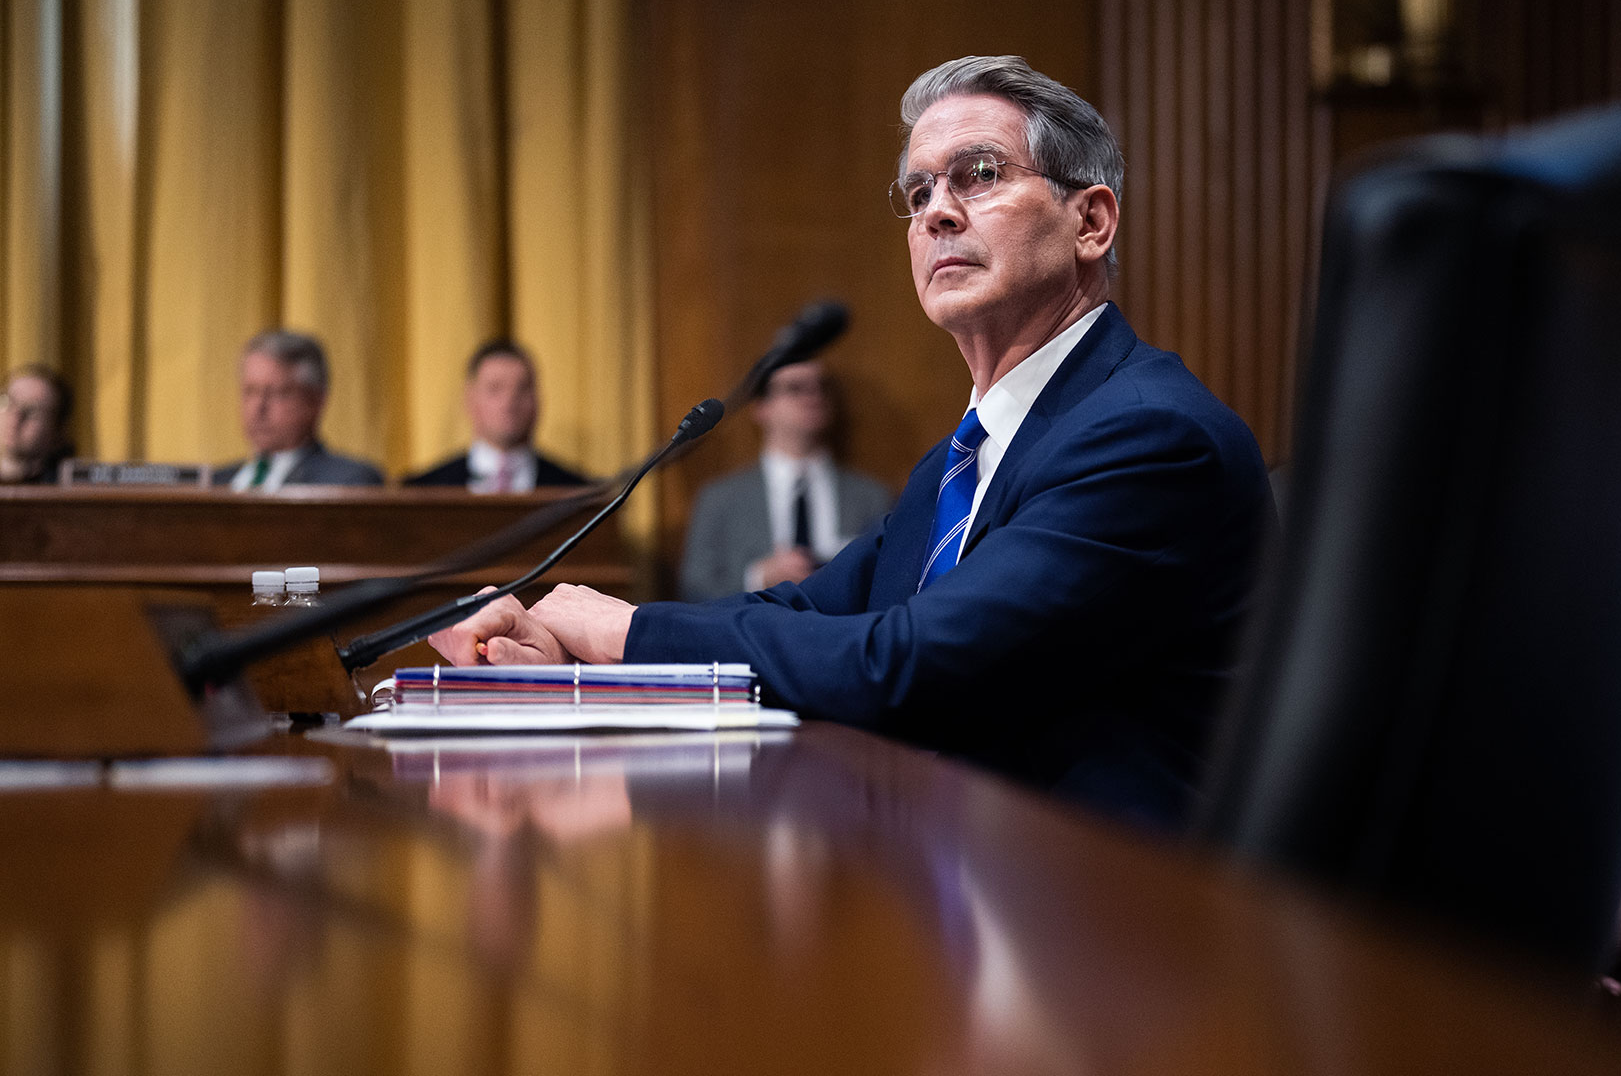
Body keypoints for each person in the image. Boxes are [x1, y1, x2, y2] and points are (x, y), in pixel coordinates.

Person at [429, 55, 1272, 827]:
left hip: (1111, 930)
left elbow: (912, 666)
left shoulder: (1148, 436)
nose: (938, 211)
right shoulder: (967, 458)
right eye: (917, 194)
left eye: (980, 176)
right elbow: (810, 611)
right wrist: (586, 644)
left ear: (1090, 221)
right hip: (965, 877)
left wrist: (626, 635)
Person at [679, 359, 892, 601]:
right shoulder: (720, 498)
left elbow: (891, 581)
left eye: (821, 386)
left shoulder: (872, 496)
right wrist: (758, 577)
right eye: (795, 388)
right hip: (755, 632)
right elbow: (694, 589)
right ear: (761, 407)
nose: (813, 396)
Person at [404, 340, 588, 491]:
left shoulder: (582, 495)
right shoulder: (420, 491)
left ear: (539, 400)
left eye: (522, 389)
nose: (509, 402)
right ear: (470, 399)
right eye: (495, 389)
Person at [213, 331, 383, 489]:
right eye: (250, 391)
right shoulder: (215, 482)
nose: (259, 407)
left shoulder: (348, 482)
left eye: (277, 393)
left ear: (315, 401)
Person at [0, 364, 74, 484]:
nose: (14, 418)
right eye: (8, 401)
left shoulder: (71, 493)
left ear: (57, 431)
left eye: (32, 411)